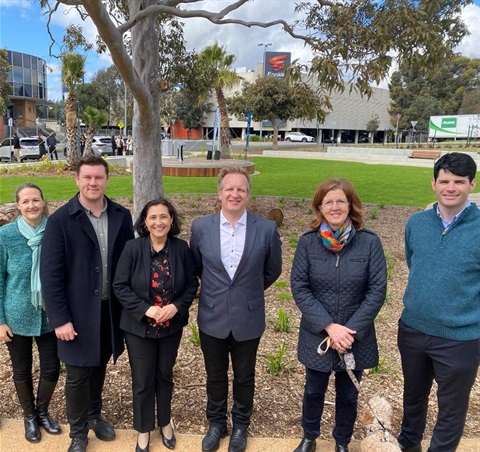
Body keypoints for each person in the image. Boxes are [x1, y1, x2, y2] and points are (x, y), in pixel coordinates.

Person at [40, 154, 134, 452]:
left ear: (107, 179)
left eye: (99, 177)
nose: (93, 183)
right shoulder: (60, 221)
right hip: (76, 315)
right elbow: (50, 276)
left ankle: (94, 414)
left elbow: (128, 264)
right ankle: (78, 433)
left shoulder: (122, 215)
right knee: (78, 375)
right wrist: (60, 319)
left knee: (99, 366)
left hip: (109, 312)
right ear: (77, 180)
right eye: (87, 177)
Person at [189, 166, 282, 452]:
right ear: (219, 193)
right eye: (229, 188)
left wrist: (247, 292)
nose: (235, 193)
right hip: (212, 315)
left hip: (248, 316)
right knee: (215, 375)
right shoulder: (201, 227)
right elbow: (196, 265)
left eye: (241, 189)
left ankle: (241, 425)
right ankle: (216, 424)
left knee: (245, 375)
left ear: (248, 195)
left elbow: (272, 271)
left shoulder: (266, 229)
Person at [290, 178, 387, 452]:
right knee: (313, 390)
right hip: (318, 334)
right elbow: (299, 286)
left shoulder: (369, 243)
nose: (335, 207)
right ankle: (309, 437)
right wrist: (329, 327)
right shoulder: (308, 243)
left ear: (350, 205)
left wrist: (348, 330)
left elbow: (377, 290)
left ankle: (342, 442)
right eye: (328, 201)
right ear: (320, 207)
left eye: (340, 201)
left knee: (348, 395)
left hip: (355, 336)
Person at [397, 152, 480, 452]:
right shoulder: (416, 223)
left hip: (461, 338)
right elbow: (413, 262)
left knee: (452, 408)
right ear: (433, 183)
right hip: (414, 330)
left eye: (459, 181)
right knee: (413, 397)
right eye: (444, 180)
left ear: (472, 184)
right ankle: (408, 445)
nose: (451, 187)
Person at [114, 198, 199, 452]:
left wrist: (176, 307)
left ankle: (164, 423)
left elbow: (191, 285)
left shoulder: (181, 248)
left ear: (171, 220)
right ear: (144, 221)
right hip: (138, 327)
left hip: (170, 326)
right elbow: (120, 286)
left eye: (164, 216)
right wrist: (146, 309)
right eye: (153, 217)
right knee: (142, 380)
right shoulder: (132, 248)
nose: (158, 222)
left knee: (164, 375)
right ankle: (143, 429)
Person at [0, 183, 61, 443]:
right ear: (18, 205)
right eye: (25, 201)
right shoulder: (6, 235)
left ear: (43, 202)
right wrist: (0, 320)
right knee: (21, 370)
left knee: (52, 368)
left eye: (35, 200)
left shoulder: (56, 232)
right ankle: (29, 417)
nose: (31, 205)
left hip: (50, 316)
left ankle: (42, 412)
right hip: (16, 316)